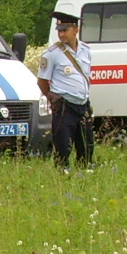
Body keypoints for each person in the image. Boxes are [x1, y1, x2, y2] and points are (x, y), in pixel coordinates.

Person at [37, 11, 94, 170]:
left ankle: (85, 174)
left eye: (65, 30)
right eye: (59, 30)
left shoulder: (86, 51)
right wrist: (51, 97)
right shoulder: (52, 54)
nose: (61, 34)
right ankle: (63, 176)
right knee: (63, 147)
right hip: (64, 106)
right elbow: (42, 80)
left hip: (82, 104)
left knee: (86, 146)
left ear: (76, 30)